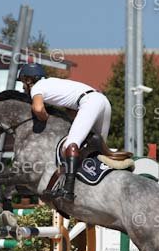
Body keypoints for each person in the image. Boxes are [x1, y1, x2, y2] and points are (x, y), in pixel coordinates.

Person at [17, 63, 112, 202]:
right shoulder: (54, 84)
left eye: (23, 82)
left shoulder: (37, 87)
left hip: (89, 102)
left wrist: (47, 119)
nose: (23, 87)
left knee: (70, 145)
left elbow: (38, 109)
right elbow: (73, 114)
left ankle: (68, 190)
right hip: (103, 101)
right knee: (98, 151)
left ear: (28, 79)